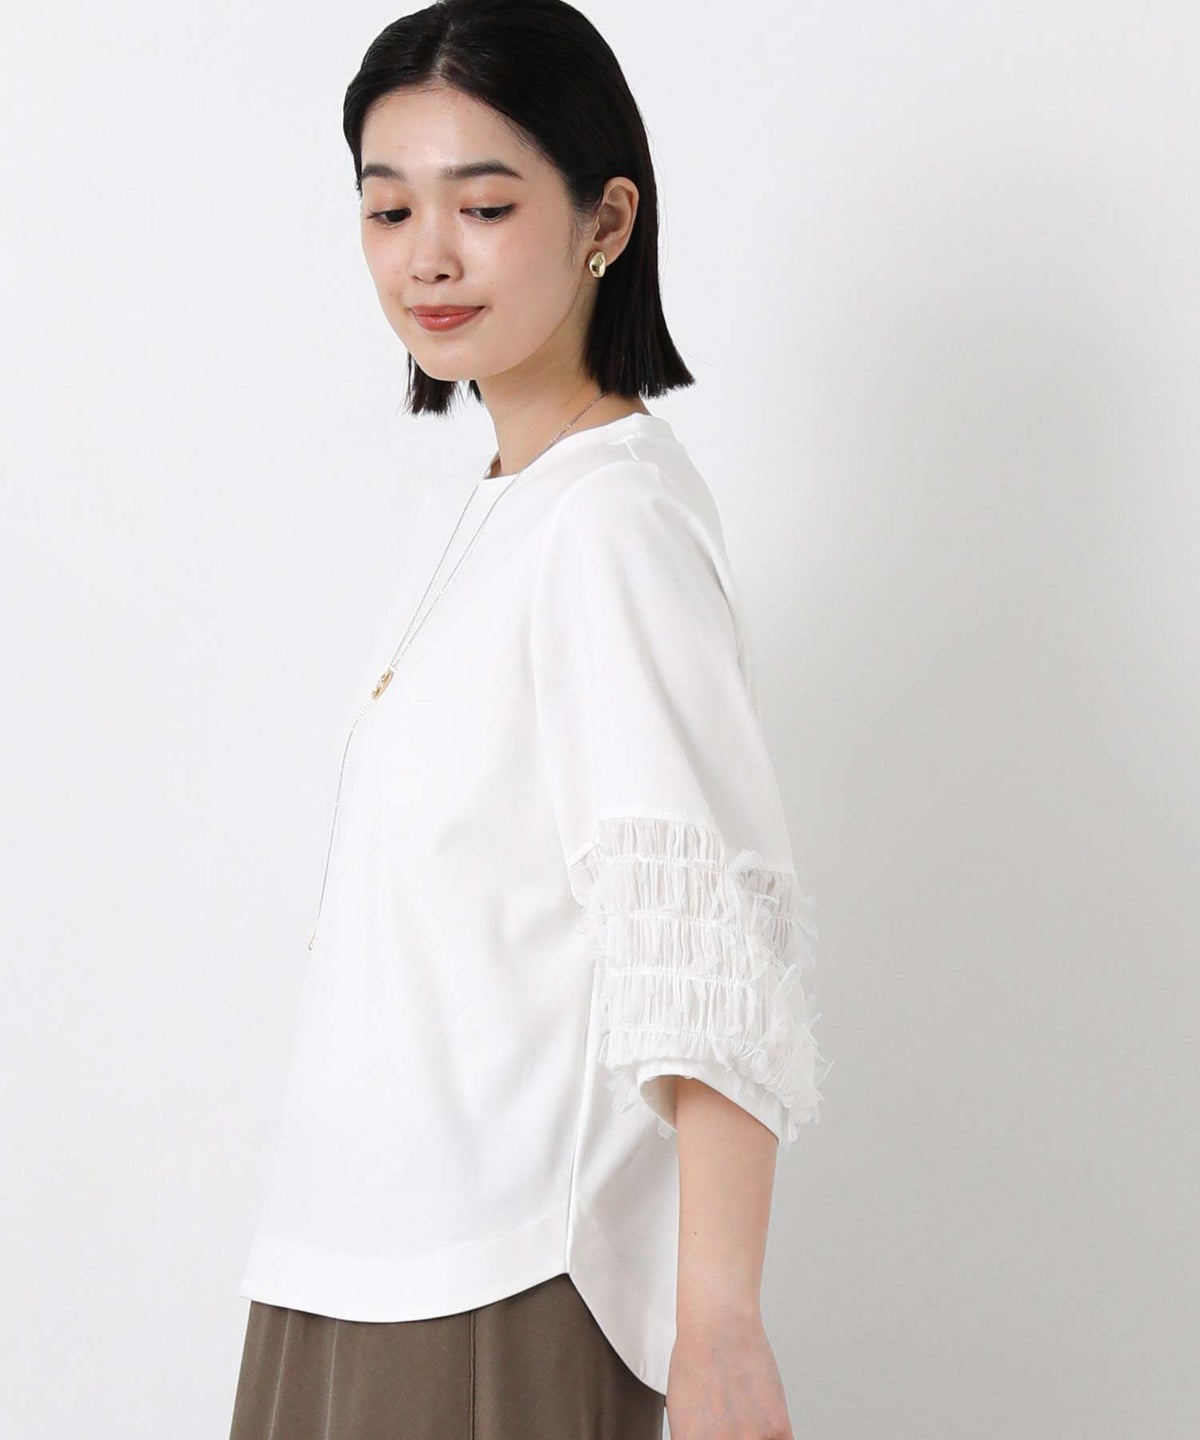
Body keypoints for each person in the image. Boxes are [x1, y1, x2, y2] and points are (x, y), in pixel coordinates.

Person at [228, 2, 831, 1437]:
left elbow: (706, 943)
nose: (427, 256)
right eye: (389, 209)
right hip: (342, 1263)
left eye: (485, 206)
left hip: (494, 1282)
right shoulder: (490, 514)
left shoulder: (612, 523)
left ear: (605, 219)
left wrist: (721, 1327)